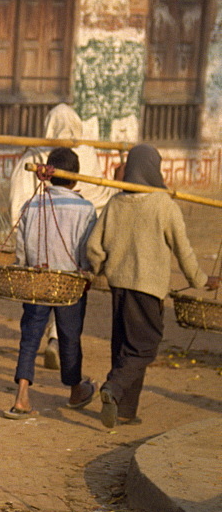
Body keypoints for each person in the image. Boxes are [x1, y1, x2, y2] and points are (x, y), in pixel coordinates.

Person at [87, 144, 220, 428]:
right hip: (147, 289)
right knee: (144, 349)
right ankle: (113, 387)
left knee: (123, 346)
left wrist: (94, 270)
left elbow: (94, 247)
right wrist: (200, 279)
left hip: (119, 286)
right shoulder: (164, 205)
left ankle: (125, 411)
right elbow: (183, 250)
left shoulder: (115, 203)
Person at [9, 104, 115, 370]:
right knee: (68, 299)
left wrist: (22, 255)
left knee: (36, 309)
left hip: (41, 244)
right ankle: (63, 357)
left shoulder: (34, 155)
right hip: (76, 241)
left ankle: (23, 385)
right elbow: (99, 199)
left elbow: (18, 202)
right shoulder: (87, 154)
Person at [4, 148, 97, 420]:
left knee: (30, 338)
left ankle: (21, 396)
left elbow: (21, 250)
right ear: (75, 178)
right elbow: (88, 251)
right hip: (69, 283)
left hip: (37, 280)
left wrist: (25, 266)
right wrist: (86, 270)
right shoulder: (86, 208)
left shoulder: (30, 206)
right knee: (69, 337)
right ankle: (75, 390)